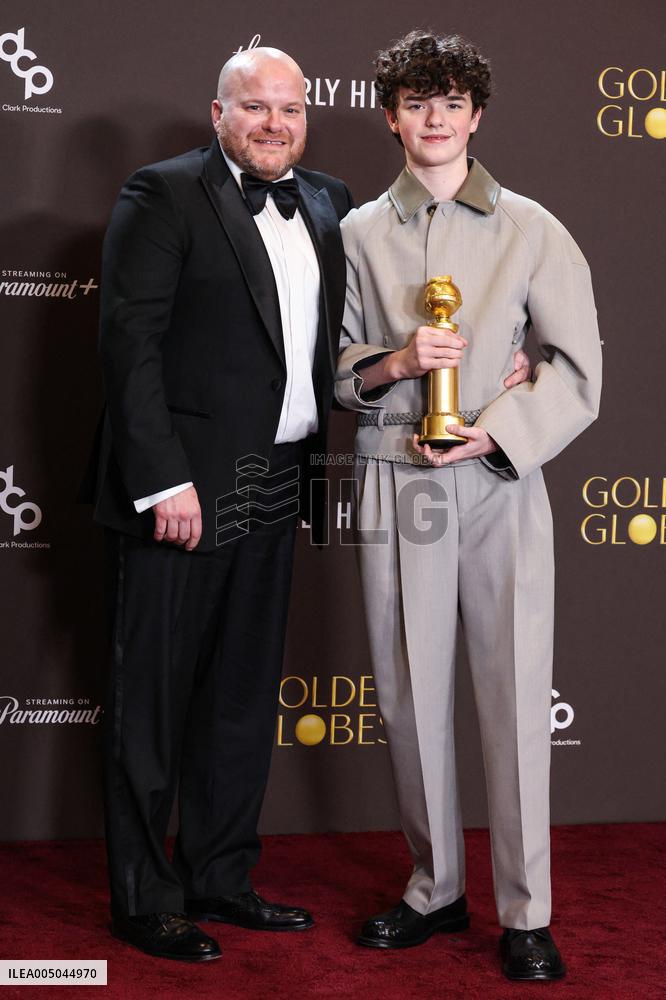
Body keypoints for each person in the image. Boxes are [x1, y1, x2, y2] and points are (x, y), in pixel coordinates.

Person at [335, 30, 602, 981]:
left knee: (517, 697)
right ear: (392, 117)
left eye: (451, 102)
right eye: (416, 103)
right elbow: (339, 366)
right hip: (394, 481)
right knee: (408, 697)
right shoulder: (358, 230)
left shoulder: (534, 226)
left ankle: (526, 912)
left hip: (499, 483)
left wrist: (499, 431)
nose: (435, 118)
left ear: (477, 116)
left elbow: (575, 373)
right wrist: (397, 364)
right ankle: (434, 888)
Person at [85, 47, 353, 961]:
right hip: (184, 489)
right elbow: (131, 345)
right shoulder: (162, 193)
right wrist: (164, 479)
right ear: (217, 113)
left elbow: (361, 338)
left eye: (291, 108)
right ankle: (144, 897)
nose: (275, 123)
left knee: (241, 696)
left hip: (279, 479)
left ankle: (221, 875)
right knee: (154, 701)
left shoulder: (329, 201)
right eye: (255, 107)